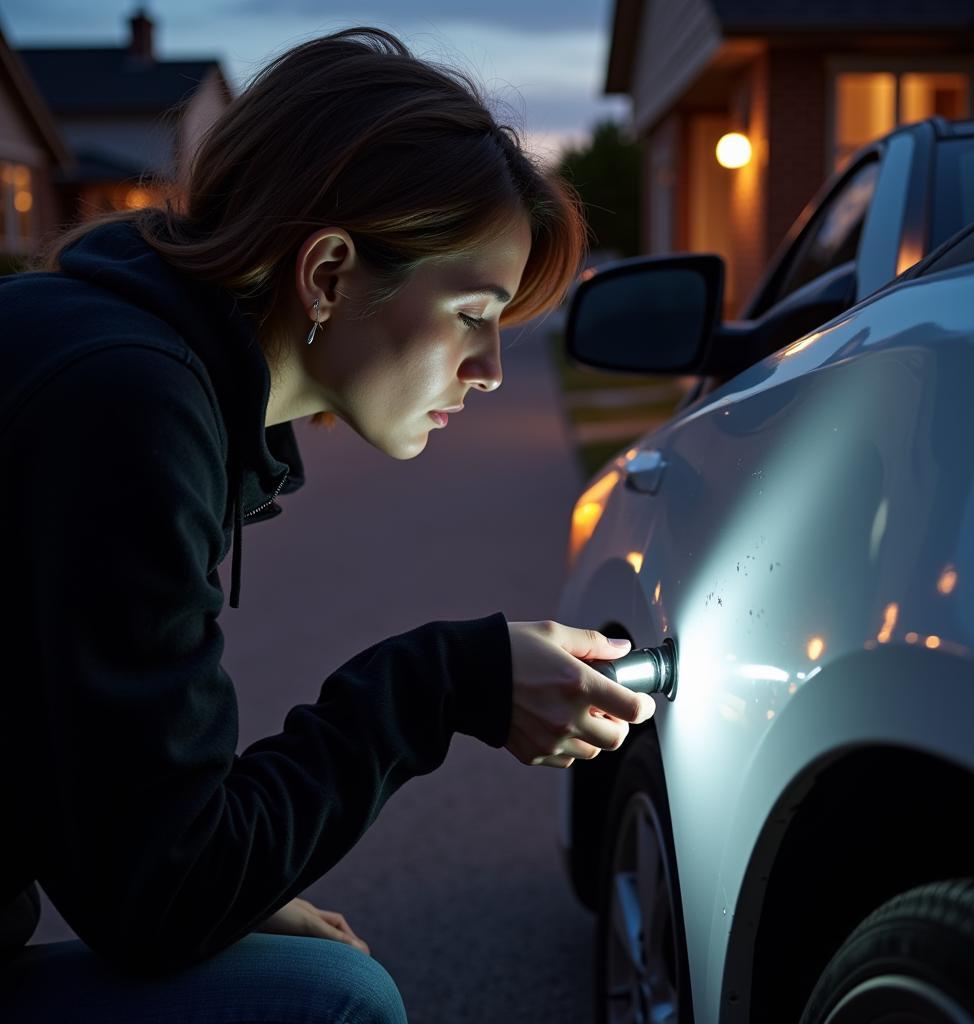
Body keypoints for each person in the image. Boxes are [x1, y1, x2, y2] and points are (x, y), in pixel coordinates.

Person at [0, 26, 656, 1024]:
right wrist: (445, 681)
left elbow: (117, 837)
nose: (487, 369)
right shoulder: (125, 404)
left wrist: (228, 881)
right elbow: (159, 900)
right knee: (330, 1002)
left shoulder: (99, 351)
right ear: (331, 272)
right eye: (473, 312)